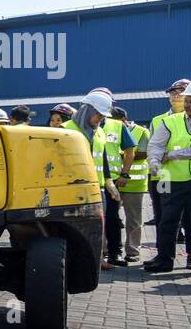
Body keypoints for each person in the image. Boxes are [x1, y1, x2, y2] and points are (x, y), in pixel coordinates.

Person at [145, 79, 191, 275]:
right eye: (187, 101)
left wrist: (173, 155)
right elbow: (156, 144)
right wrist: (155, 162)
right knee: (168, 220)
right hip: (173, 179)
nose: (187, 105)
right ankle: (164, 260)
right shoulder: (169, 121)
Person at [63, 90, 116, 270]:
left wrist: (109, 182)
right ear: (87, 110)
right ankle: (73, 260)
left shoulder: (99, 132)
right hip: (73, 188)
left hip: (97, 188)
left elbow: (103, 158)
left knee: (98, 225)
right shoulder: (65, 129)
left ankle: (97, 259)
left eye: (102, 116)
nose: (99, 119)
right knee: (75, 225)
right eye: (98, 115)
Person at [147, 79, 190, 232]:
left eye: (180, 92)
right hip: (163, 175)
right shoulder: (158, 120)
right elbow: (153, 147)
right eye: (173, 93)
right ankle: (163, 252)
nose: (176, 96)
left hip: (190, 176)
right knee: (163, 215)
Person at [101, 105, 139, 267]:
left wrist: (124, 173)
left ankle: (114, 253)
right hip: (86, 180)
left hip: (112, 181)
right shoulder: (79, 126)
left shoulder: (116, 125)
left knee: (112, 219)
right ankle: (97, 254)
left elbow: (130, 151)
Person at [115, 107, 150, 263]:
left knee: (134, 220)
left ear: (122, 120)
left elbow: (143, 153)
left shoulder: (142, 132)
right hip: (113, 182)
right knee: (111, 219)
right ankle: (111, 249)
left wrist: (123, 155)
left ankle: (133, 251)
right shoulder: (107, 131)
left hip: (134, 183)